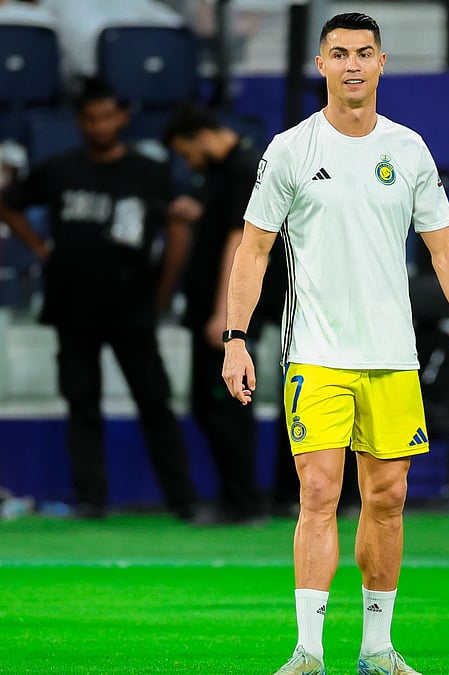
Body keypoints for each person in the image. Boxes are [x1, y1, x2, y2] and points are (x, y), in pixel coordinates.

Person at [221, 13, 449, 675]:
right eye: (339, 53)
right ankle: (308, 652)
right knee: (319, 491)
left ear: (381, 63)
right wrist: (236, 340)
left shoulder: (408, 151)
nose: (351, 64)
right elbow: (253, 249)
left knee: (388, 497)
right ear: (321, 64)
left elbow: (445, 250)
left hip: (393, 358)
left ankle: (377, 647)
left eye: (363, 53)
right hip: (316, 354)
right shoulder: (290, 149)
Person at [0, 78, 198, 521]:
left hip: (133, 305)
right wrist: (41, 249)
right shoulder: (59, 169)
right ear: (79, 122)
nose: (100, 126)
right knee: (82, 404)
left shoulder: (149, 172)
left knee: (155, 402)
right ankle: (91, 499)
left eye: (108, 116)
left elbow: (177, 228)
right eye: (91, 118)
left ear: (122, 118)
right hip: (73, 304)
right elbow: (5, 205)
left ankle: (182, 499)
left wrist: (161, 294)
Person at [162, 103, 282, 526]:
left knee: (227, 406)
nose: (187, 162)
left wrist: (228, 319)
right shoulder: (223, 173)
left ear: (201, 136)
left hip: (225, 317)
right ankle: (238, 498)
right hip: (213, 311)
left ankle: (243, 502)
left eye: (186, 152)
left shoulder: (242, 169)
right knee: (210, 404)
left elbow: (241, 241)